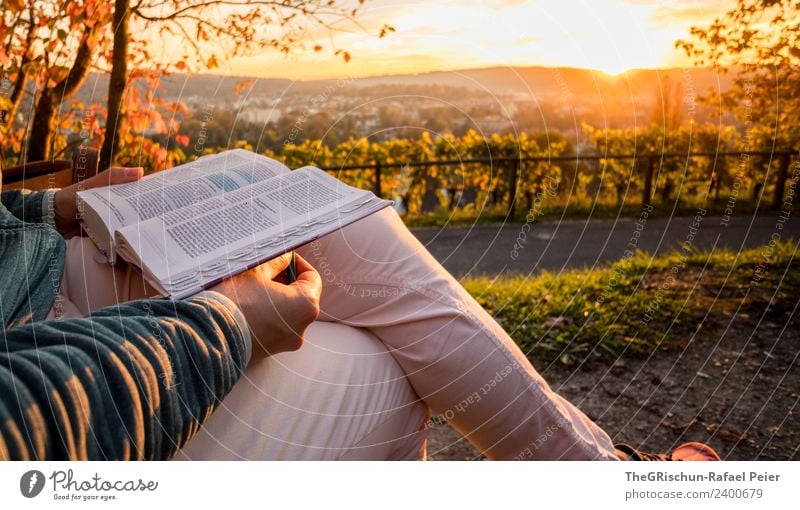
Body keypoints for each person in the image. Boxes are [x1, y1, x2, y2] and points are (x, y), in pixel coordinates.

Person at [0, 163, 719, 461]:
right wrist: (225, 324)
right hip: (41, 338)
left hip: (45, 262)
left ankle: (604, 475)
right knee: (387, 366)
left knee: (294, 205)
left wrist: (52, 205)